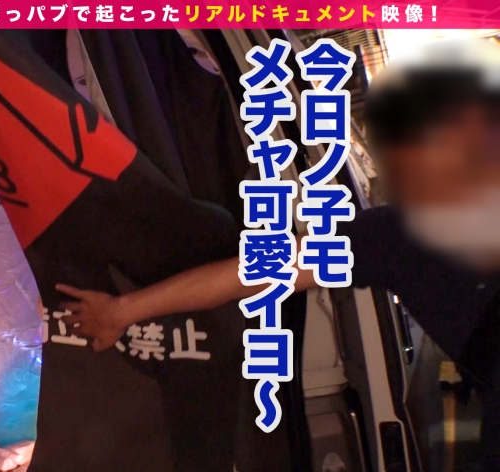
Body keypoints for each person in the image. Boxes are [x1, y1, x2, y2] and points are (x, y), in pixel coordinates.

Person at [55, 40, 500, 468]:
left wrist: (124, 310)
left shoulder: (403, 234)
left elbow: (257, 272)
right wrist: (124, 310)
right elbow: (258, 270)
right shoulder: (401, 235)